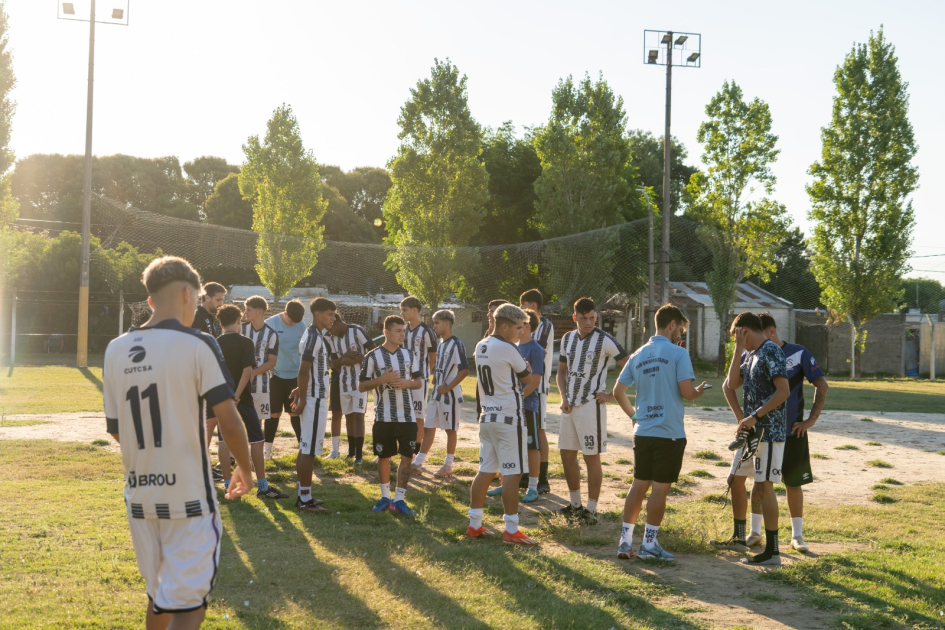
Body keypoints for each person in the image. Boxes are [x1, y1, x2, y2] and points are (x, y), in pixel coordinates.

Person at [103, 256, 252, 629]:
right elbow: (230, 420)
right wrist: (247, 470)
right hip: (188, 498)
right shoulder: (197, 343)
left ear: (151, 301)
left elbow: (117, 430)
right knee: (187, 604)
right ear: (189, 294)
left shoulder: (115, 349)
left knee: (160, 596)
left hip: (139, 497)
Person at [613, 305, 707, 561]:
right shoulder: (678, 353)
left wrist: (634, 417)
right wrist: (699, 391)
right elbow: (687, 392)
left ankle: (625, 541)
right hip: (669, 432)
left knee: (638, 485)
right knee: (659, 490)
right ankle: (649, 545)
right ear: (673, 324)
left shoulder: (638, 354)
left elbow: (617, 392)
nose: (681, 334)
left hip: (643, 431)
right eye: (682, 329)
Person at [742, 312, 829, 553]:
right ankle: (755, 532)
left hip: (792, 432)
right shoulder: (750, 353)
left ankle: (798, 536)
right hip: (763, 433)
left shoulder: (798, 353)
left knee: (793, 483)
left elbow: (822, 384)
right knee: (760, 483)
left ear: (770, 331)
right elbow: (734, 384)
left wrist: (810, 420)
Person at [718, 311, 790, 566]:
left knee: (766, 486)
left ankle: (773, 552)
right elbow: (729, 386)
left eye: (737, 336)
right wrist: (742, 419)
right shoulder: (748, 354)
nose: (736, 341)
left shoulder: (771, 351)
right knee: (735, 479)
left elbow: (783, 391)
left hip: (768, 432)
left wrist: (755, 417)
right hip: (752, 432)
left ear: (744, 331)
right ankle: (739, 539)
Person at [467, 304, 537, 545]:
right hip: (509, 420)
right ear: (504, 325)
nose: (521, 333)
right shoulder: (508, 348)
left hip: (487, 417)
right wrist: (525, 367)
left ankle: (474, 524)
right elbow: (527, 377)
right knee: (512, 474)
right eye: (518, 328)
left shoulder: (481, 344)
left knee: (485, 471)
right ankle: (511, 529)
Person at [556, 297, 629, 524]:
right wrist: (563, 396)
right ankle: (575, 505)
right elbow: (561, 371)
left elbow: (629, 365)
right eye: (584, 318)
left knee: (591, 457)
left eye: (592, 318)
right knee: (566, 455)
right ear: (574, 317)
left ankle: (592, 509)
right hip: (569, 406)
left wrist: (611, 395)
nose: (588, 322)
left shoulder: (605, 340)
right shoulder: (567, 339)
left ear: (596, 316)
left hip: (591, 406)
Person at [216, 304, 287, 500]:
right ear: (239, 321)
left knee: (223, 441)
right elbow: (247, 371)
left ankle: (228, 485)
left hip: (222, 399)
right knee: (257, 439)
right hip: (243, 398)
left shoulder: (215, 342)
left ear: (220, 324)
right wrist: (237, 396)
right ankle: (262, 485)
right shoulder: (246, 342)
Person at [359, 315, 424, 516]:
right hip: (383, 417)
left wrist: (406, 383)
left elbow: (418, 382)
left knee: (407, 457)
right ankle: (385, 496)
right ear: (386, 332)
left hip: (407, 417)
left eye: (404, 331)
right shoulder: (372, 356)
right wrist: (382, 379)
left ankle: (400, 499)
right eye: (398, 331)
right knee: (384, 457)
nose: (402, 334)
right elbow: (361, 386)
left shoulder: (409, 355)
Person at [291, 297, 337, 514]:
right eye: (329, 314)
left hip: (313, 397)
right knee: (308, 450)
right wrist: (301, 398)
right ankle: (305, 500)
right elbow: (303, 369)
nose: (333, 318)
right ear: (317, 314)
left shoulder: (316, 335)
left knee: (305, 447)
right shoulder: (312, 336)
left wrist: (299, 391)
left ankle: (303, 494)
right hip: (314, 400)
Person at [414, 309, 469, 477]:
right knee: (428, 427)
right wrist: (436, 379)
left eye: (437, 322)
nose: (434, 326)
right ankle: (418, 463)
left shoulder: (457, 343)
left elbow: (464, 370)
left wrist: (447, 387)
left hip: (450, 396)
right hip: (436, 394)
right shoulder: (442, 343)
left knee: (450, 430)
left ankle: (448, 465)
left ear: (447, 323)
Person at [326, 315, 376, 463]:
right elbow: (333, 364)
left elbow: (373, 351)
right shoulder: (332, 338)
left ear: (337, 323)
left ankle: (360, 456)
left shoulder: (357, 331)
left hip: (360, 382)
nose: (330, 332)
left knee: (358, 416)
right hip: (343, 382)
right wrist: (343, 360)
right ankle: (352, 452)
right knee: (348, 416)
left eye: (330, 328)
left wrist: (356, 361)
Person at [263, 299, 307, 459]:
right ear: (285, 313)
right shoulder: (271, 324)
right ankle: (267, 450)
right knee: (273, 413)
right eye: (291, 320)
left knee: (294, 412)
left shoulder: (301, 325)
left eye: (297, 322)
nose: (294, 324)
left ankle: (304, 449)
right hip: (276, 376)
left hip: (295, 376)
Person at [191, 281, 226, 477]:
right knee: (203, 421)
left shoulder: (210, 317)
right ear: (206, 297)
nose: (221, 303)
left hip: (208, 375)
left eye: (222, 299)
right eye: (218, 299)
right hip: (198, 376)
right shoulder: (196, 316)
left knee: (211, 419)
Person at [520, 289, 553, 494]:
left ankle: (542, 477)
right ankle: (525, 473)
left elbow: (536, 349)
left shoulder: (544, 325)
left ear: (532, 305)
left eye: (523, 304)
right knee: (525, 431)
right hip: (524, 388)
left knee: (539, 431)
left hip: (537, 388)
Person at [400, 296, 437, 456]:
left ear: (415, 310)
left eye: (404, 310)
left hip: (419, 379)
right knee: (403, 414)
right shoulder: (403, 329)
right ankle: (403, 448)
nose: (402, 313)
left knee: (418, 415)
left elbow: (433, 354)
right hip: (404, 378)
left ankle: (415, 452)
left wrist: (424, 373)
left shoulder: (427, 331)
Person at [241, 296, 279, 443]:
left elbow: (272, 362)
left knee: (257, 421)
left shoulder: (271, 334)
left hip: (261, 386)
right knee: (239, 419)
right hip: (241, 385)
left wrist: (253, 373)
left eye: (248, 310)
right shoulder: (241, 329)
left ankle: (254, 452)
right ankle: (235, 455)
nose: (245, 313)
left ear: (259, 312)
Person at [517, 308, 544, 503]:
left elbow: (534, 381)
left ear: (527, 325)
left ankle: (533, 487)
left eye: (518, 323)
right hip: (513, 405)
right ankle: (509, 481)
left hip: (528, 404)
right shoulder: (513, 346)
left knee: (531, 446)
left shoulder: (535, 349)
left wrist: (518, 399)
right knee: (513, 445)